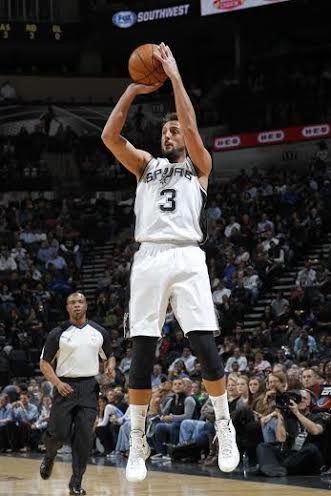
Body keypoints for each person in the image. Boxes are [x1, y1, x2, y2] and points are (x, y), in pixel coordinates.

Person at [101, 42, 239, 482]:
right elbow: (109, 137)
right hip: (149, 255)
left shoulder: (200, 166)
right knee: (141, 350)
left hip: (186, 255)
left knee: (204, 347)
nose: (169, 134)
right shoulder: (145, 166)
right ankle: (137, 439)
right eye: (165, 131)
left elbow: (194, 129)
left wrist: (175, 77)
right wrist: (132, 91)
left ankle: (224, 423)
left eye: (174, 130)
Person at [39, 292, 115, 495]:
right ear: (67, 308)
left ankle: (76, 483)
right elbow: (44, 363)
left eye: (80, 302)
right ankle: (50, 454)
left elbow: (110, 356)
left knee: (84, 438)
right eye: (72, 302)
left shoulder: (98, 331)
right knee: (59, 434)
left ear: (86, 305)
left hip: (89, 388)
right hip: (65, 386)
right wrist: (57, 382)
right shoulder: (58, 333)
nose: (77, 305)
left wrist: (110, 367)